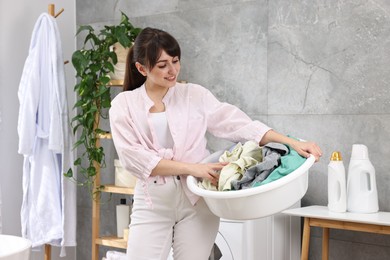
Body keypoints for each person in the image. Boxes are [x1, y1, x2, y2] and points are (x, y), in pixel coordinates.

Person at [109, 27, 322, 260]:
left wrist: (291, 143)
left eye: (176, 61)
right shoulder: (124, 105)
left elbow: (239, 125)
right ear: (142, 68)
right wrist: (194, 168)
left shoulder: (194, 95)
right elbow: (133, 158)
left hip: (197, 202)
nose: (173, 70)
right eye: (162, 65)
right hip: (152, 204)